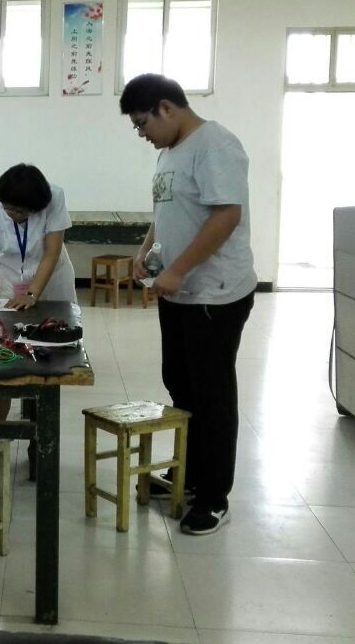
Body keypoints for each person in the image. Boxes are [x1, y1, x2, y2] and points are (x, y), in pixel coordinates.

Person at [119, 73, 256, 535]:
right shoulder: (170, 151)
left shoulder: (214, 145)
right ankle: (191, 475)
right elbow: (167, 212)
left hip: (215, 293)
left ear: (166, 108)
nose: (141, 134)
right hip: (179, 292)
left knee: (211, 395)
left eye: (142, 123)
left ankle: (214, 497)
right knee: (181, 383)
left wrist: (178, 270)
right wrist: (146, 250)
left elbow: (227, 215)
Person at [0, 163, 77, 474]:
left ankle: (40, 443)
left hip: (51, 286)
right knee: (2, 365)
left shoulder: (54, 197)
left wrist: (33, 294)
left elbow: (52, 252)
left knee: (45, 367)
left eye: (23, 212)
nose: (15, 215)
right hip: (10, 289)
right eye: (10, 209)